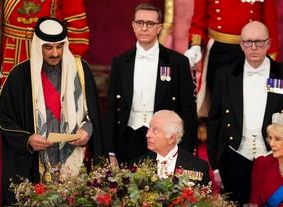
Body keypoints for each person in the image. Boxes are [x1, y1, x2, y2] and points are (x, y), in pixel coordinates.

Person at [0, 17, 103, 206]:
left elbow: (93, 113)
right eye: (48, 47)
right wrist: (27, 139)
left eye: (59, 46)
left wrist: (87, 129)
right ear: (38, 46)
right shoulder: (19, 76)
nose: (55, 53)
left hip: (73, 161)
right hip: (35, 165)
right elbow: (3, 118)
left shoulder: (80, 70)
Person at [105, 3, 197, 166]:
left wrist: (186, 152)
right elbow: (111, 108)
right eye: (140, 23)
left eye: (150, 24)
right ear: (133, 26)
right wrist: (110, 150)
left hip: (164, 141)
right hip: (128, 138)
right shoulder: (120, 62)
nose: (144, 28)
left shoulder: (178, 62)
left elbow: (188, 110)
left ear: (159, 27)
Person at [207, 21, 283, 207]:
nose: (254, 47)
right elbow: (214, 119)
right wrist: (216, 163)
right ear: (241, 45)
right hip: (235, 156)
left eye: (259, 41)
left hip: (273, 157)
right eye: (248, 42)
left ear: (269, 43)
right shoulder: (225, 74)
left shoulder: (281, 74)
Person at [184, 0, 279, 116]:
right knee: (218, 101)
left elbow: (270, 22)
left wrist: (271, 54)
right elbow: (198, 22)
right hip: (217, 52)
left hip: (250, 49)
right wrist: (195, 46)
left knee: (249, 100)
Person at [0, 0, 89, 85]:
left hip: (49, 55)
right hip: (11, 55)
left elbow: (77, 28)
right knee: (12, 103)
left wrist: (69, 59)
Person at [138, 110, 210, 185]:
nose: (148, 135)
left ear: (171, 138)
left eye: (155, 131)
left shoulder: (197, 166)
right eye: (149, 128)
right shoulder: (138, 164)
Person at [250, 113, 283, 207]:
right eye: (270, 138)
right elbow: (254, 204)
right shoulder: (262, 164)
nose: (271, 144)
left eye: (277, 139)